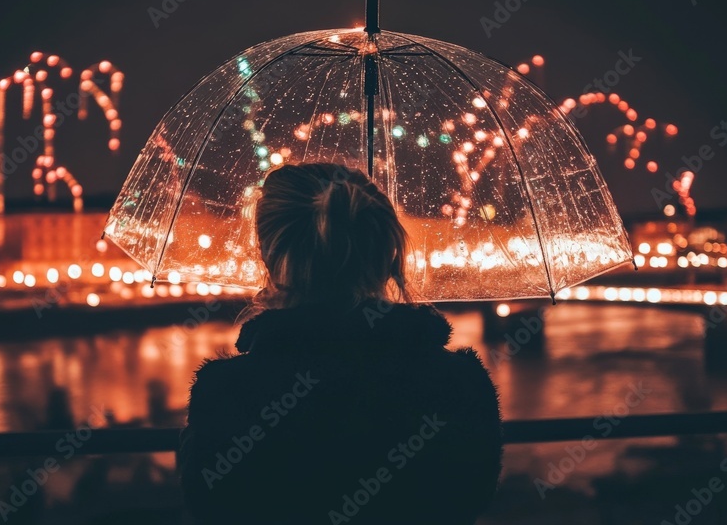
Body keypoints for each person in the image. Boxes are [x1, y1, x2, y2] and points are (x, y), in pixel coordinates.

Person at [179, 163, 502, 524]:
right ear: (387, 255)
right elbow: (473, 496)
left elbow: (209, 505)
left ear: (268, 255)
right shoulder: (458, 383)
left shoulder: (228, 391)